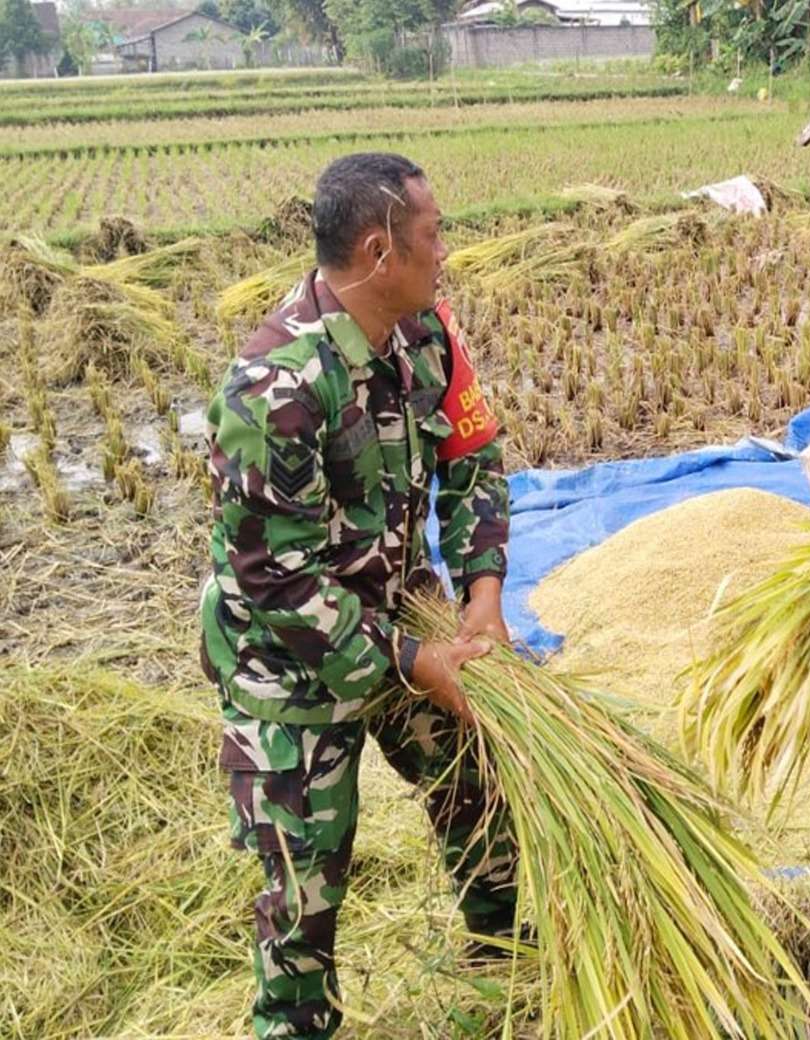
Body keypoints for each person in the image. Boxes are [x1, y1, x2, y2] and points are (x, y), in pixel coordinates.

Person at [199, 152, 517, 1040]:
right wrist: (414, 660)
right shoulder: (277, 384)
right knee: (305, 896)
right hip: (287, 666)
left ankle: (508, 986)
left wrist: (482, 598)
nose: (444, 252)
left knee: (486, 795)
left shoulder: (428, 336)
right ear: (380, 251)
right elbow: (274, 577)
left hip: (400, 615)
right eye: (432, 235)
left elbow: (473, 462)